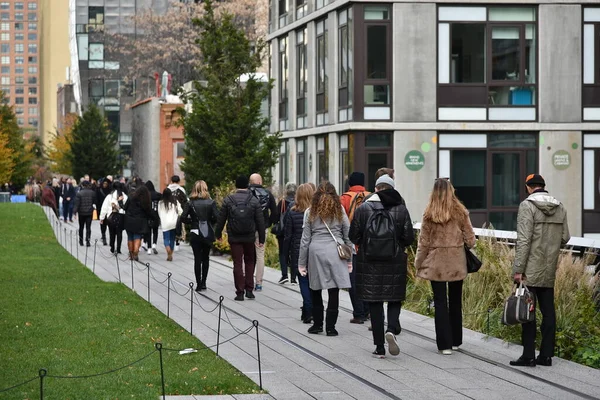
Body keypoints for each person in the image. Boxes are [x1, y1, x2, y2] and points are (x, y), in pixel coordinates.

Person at [350, 174, 414, 358]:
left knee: (375, 301)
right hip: (394, 261)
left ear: (376, 188)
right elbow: (409, 237)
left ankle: (379, 347)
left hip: (369, 262)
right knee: (394, 298)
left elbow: (353, 235)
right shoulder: (401, 209)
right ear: (392, 188)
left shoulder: (363, 209)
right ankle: (392, 329)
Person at [510, 174, 570, 367]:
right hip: (549, 266)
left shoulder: (527, 206)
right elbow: (565, 237)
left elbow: (524, 241)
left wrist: (518, 269)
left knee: (528, 311)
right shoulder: (559, 206)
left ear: (528, 187)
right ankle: (546, 356)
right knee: (548, 312)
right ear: (543, 186)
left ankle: (528, 355)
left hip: (530, 269)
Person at [415, 178, 476, 355]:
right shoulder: (461, 212)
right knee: (456, 301)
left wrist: (418, 262)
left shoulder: (429, 214)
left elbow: (423, 243)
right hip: (457, 262)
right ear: (451, 190)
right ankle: (456, 340)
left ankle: (444, 345)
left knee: (440, 302)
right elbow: (471, 240)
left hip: (436, 263)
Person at [298, 182, 352, 336]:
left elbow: (305, 240)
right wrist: (350, 261)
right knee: (334, 290)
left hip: (316, 252)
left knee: (315, 289)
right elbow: (348, 236)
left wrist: (301, 263)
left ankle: (317, 324)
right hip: (336, 252)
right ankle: (331, 327)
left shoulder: (310, 212)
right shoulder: (339, 210)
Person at [215, 175, 265, 301]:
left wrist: (218, 234)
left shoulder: (229, 200)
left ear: (236, 186)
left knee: (237, 263)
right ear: (247, 185)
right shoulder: (253, 200)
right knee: (250, 261)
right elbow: (260, 221)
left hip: (234, 236)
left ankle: (240, 292)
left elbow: (221, 219)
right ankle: (249, 290)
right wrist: (262, 239)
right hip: (249, 236)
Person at [340, 171, 371, 325]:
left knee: (353, 278)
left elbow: (341, 224)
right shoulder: (372, 197)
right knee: (368, 278)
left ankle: (358, 313)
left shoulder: (344, 198)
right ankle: (368, 310)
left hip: (352, 245)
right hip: (371, 245)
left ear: (350, 183)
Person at [283, 183, 315, 323]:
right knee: (313, 281)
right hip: (314, 250)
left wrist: (286, 253)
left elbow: (288, 235)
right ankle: (311, 309)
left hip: (298, 250)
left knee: (303, 280)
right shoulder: (316, 212)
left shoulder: (292, 212)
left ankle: (307, 309)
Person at [179, 180, 219, 291]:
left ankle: (198, 283)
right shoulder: (211, 203)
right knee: (206, 258)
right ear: (205, 189)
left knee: (197, 258)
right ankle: (204, 282)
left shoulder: (190, 203)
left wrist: (191, 221)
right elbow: (217, 217)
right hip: (207, 231)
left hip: (195, 231)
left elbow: (182, 217)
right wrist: (210, 222)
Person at [249, 173, 278, 291]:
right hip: (262, 228)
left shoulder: (247, 193)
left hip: (248, 229)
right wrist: (269, 223)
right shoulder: (268, 194)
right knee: (260, 255)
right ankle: (259, 282)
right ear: (260, 182)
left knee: (248, 255)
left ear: (250, 182)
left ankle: (248, 280)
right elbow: (275, 212)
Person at [124, 185, 154, 261]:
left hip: (129, 219)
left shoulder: (131, 197)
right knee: (137, 237)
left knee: (130, 237)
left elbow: (125, 207)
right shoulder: (146, 200)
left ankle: (131, 253)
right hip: (140, 221)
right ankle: (136, 252)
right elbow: (149, 212)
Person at [275, 182, 297, 284]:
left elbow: (276, 217)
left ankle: (284, 275)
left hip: (283, 232)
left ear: (286, 191)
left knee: (283, 253)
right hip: (295, 232)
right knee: (293, 253)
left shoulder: (282, 202)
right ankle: (293, 277)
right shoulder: (298, 203)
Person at [99, 182, 127, 254]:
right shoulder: (125, 196)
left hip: (111, 216)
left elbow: (104, 208)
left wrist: (102, 218)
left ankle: (112, 246)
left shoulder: (109, 196)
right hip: (121, 216)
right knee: (119, 233)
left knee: (112, 233)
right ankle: (118, 248)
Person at [157, 188, 183, 262]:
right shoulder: (175, 201)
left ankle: (168, 251)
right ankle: (170, 254)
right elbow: (181, 211)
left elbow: (159, 213)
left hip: (165, 223)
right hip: (174, 223)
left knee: (166, 239)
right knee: (172, 239)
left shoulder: (160, 203)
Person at [73, 181, 96, 247]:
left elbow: (77, 204)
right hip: (89, 212)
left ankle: (81, 241)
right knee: (88, 227)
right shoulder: (92, 193)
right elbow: (94, 203)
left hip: (81, 212)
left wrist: (74, 212)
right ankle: (88, 241)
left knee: (81, 227)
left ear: (82, 185)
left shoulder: (79, 193)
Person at [168, 175, 187, 251]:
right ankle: (177, 243)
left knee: (170, 226)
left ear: (171, 181)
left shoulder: (168, 189)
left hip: (169, 210)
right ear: (179, 181)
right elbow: (185, 201)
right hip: (179, 210)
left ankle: (170, 241)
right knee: (178, 226)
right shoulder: (181, 189)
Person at [143, 180, 162, 255]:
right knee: (155, 231)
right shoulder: (157, 195)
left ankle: (149, 248)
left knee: (148, 232)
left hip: (148, 215)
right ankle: (154, 244)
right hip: (156, 214)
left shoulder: (146, 196)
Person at [96, 178, 112, 246]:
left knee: (109, 223)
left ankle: (109, 237)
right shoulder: (99, 190)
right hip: (101, 209)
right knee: (102, 223)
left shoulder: (110, 191)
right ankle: (103, 235)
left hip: (109, 209)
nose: (105, 185)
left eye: (106, 184)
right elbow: (96, 199)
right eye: (104, 183)